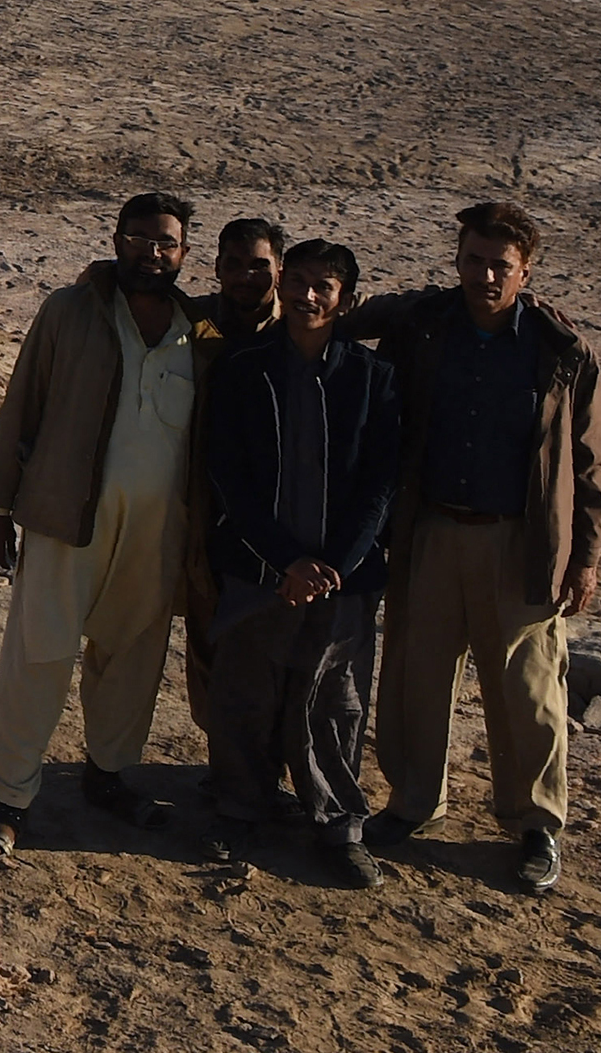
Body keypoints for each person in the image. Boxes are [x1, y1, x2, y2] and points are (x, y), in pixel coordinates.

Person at [351, 201, 601, 897]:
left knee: (529, 692)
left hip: (520, 542)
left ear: (526, 271)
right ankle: (413, 802)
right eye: (473, 259)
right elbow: (346, 314)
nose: (485, 275)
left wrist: (584, 557)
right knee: (415, 675)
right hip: (430, 530)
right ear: (457, 259)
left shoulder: (561, 351)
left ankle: (536, 826)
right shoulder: (427, 322)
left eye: (501, 265)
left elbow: (593, 464)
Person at [0, 191, 201, 860]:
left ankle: (108, 775)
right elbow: (24, 406)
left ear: (184, 254)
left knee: (131, 657)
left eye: (165, 244)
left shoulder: (198, 330)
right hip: (64, 516)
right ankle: (10, 800)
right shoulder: (70, 313)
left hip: (157, 532)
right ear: (116, 238)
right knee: (38, 655)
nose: (150, 254)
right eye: (138, 239)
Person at [203, 238, 399, 885]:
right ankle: (238, 810)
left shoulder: (373, 379)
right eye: (300, 281)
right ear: (282, 283)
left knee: (335, 703)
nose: (308, 296)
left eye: (326, 287)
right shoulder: (242, 366)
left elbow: (380, 486)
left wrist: (333, 566)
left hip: (344, 582)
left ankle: (337, 825)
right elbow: (227, 474)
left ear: (346, 299)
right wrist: (286, 560)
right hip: (259, 571)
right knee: (245, 696)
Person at [181, 218, 288, 745]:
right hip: (205, 507)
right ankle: (221, 757)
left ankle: (268, 763)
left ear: (279, 269)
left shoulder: (301, 322)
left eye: (259, 266)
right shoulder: (195, 322)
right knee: (206, 638)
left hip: (279, 514)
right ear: (217, 267)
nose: (247, 276)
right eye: (234, 265)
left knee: (276, 646)